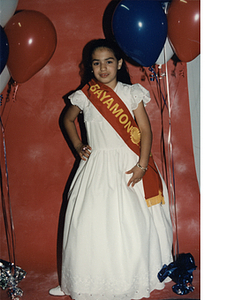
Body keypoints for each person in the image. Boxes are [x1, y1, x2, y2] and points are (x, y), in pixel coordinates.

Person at [49, 39, 173, 299]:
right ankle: (81, 281)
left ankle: (129, 279)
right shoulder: (85, 94)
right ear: (90, 67)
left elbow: (146, 132)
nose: (103, 68)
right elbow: (67, 119)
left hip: (129, 164)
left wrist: (141, 165)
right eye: (96, 63)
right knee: (86, 223)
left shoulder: (131, 93)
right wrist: (77, 144)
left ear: (118, 64)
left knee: (132, 224)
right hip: (96, 167)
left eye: (108, 62)